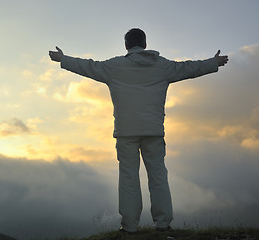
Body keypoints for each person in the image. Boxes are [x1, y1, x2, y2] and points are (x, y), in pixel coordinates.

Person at [48, 28, 228, 234]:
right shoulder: (162, 66)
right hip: (153, 131)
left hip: (126, 132)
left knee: (128, 178)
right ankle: (163, 224)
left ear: (126, 44)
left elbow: (88, 66)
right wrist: (213, 63)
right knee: (158, 176)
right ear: (144, 43)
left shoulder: (114, 66)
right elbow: (189, 68)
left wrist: (63, 59)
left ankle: (129, 226)